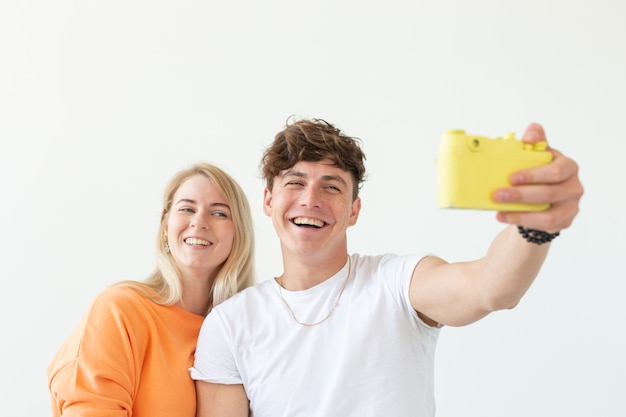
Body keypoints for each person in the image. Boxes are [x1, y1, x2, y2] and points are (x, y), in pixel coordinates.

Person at [190, 117, 583, 417]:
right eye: (295, 183)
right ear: (268, 201)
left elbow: (489, 288)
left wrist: (534, 226)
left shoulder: (396, 283)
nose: (310, 199)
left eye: (331, 186)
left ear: (353, 211)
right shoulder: (229, 324)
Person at [47, 162, 255, 417]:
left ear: (239, 234)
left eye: (220, 213)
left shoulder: (244, 330)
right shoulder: (119, 310)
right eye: (187, 208)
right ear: (165, 227)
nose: (199, 222)